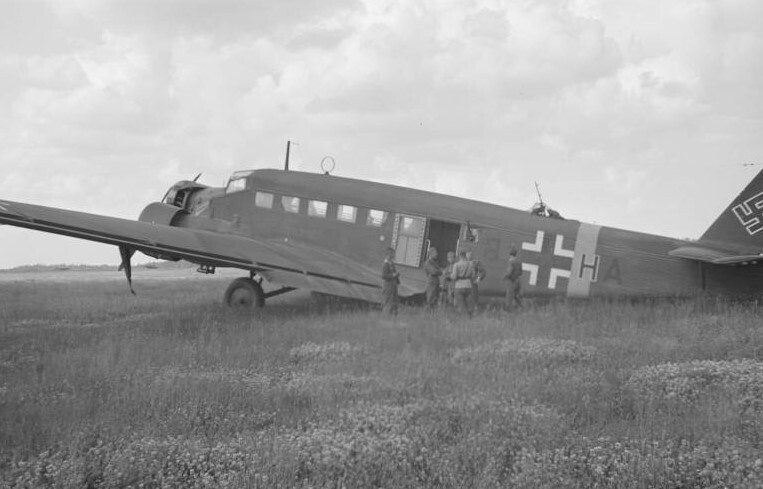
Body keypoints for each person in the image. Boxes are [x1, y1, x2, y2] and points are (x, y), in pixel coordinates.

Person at [451, 250, 474, 317]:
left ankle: (465, 317)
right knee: (468, 302)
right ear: (465, 255)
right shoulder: (471, 264)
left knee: (461, 303)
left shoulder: (456, 265)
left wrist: (450, 276)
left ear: (460, 255)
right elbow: (473, 275)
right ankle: (470, 315)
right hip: (468, 285)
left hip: (459, 285)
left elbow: (454, 276)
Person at [503, 246, 523, 311]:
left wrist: (505, 276)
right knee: (517, 296)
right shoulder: (519, 261)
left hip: (511, 281)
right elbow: (521, 272)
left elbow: (509, 272)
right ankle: (521, 308)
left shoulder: (511, 262)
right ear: (515, 254)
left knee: (509, 297)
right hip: (518, 281)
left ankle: (508, 310)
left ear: (510, 254)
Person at [381, 246, 400, 315]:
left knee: (394, 300)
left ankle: (393, 315)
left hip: (393, 284)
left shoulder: (391, 263)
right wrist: (393, 275)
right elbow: (383, 275)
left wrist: (396, 277)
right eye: (393, 253)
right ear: (388, 254)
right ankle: (386, 316)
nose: (394, 255)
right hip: (388, 285)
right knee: (388, 300)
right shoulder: (385, 264)